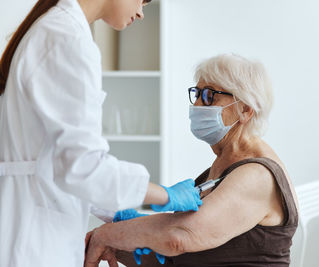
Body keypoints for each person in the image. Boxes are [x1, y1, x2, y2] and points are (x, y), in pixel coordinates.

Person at [0, 0, 202, 267]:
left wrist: (116, 212)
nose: (141, 12)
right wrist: (164, 195)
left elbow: (58, 162)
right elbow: (83, 167)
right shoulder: (66, 38)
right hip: (31, 242)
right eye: (142, 0)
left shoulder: (57, 30)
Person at [84, 54, 299, 267]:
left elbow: (180, 236)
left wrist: (108, 235)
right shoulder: (222, 165)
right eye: (196, 94)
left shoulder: (257, 176)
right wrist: (122, 237)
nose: (196, 104)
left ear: (245, 109)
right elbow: (181, 252)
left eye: (209, 96)